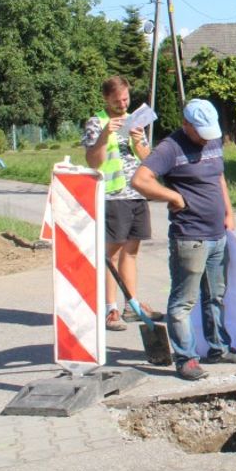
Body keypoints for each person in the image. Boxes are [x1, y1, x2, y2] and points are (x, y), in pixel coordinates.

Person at [131, 98, 236, 381]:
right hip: (190, 237)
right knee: (183, 302)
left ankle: (219, 347)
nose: (207, 138)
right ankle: (186, 359)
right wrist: (172, 196)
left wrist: (229, 212)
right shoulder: (169, 148)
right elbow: (140, 180)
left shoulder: (213, 141)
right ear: (186, 125)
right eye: (201, 132)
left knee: (216, 296)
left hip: (217, 234)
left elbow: (219, 178)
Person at [81, 75, 158, 332]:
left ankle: (131, 304)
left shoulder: (135, 120)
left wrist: (138, 141)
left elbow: (148, 159)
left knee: (132, 252)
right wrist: (105, 135)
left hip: (136, 193)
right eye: (117, 101)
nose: (123, 105)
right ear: (106, 99)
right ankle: (110, 309)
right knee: (111, 255)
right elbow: (93, 161)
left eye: (126, 99)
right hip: (113, 196)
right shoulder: (96, 123)